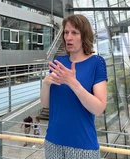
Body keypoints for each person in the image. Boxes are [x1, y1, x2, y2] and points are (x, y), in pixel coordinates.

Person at [40, 14, 108, 159]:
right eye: (66, 32)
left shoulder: (96, 63)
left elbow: (99, 108)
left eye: (74, 33)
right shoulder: (58, 61)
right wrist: (46, 83)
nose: (68, 37)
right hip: (53, 143)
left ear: (84, 36)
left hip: (83, 146)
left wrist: (73, 83)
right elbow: (46, 104)